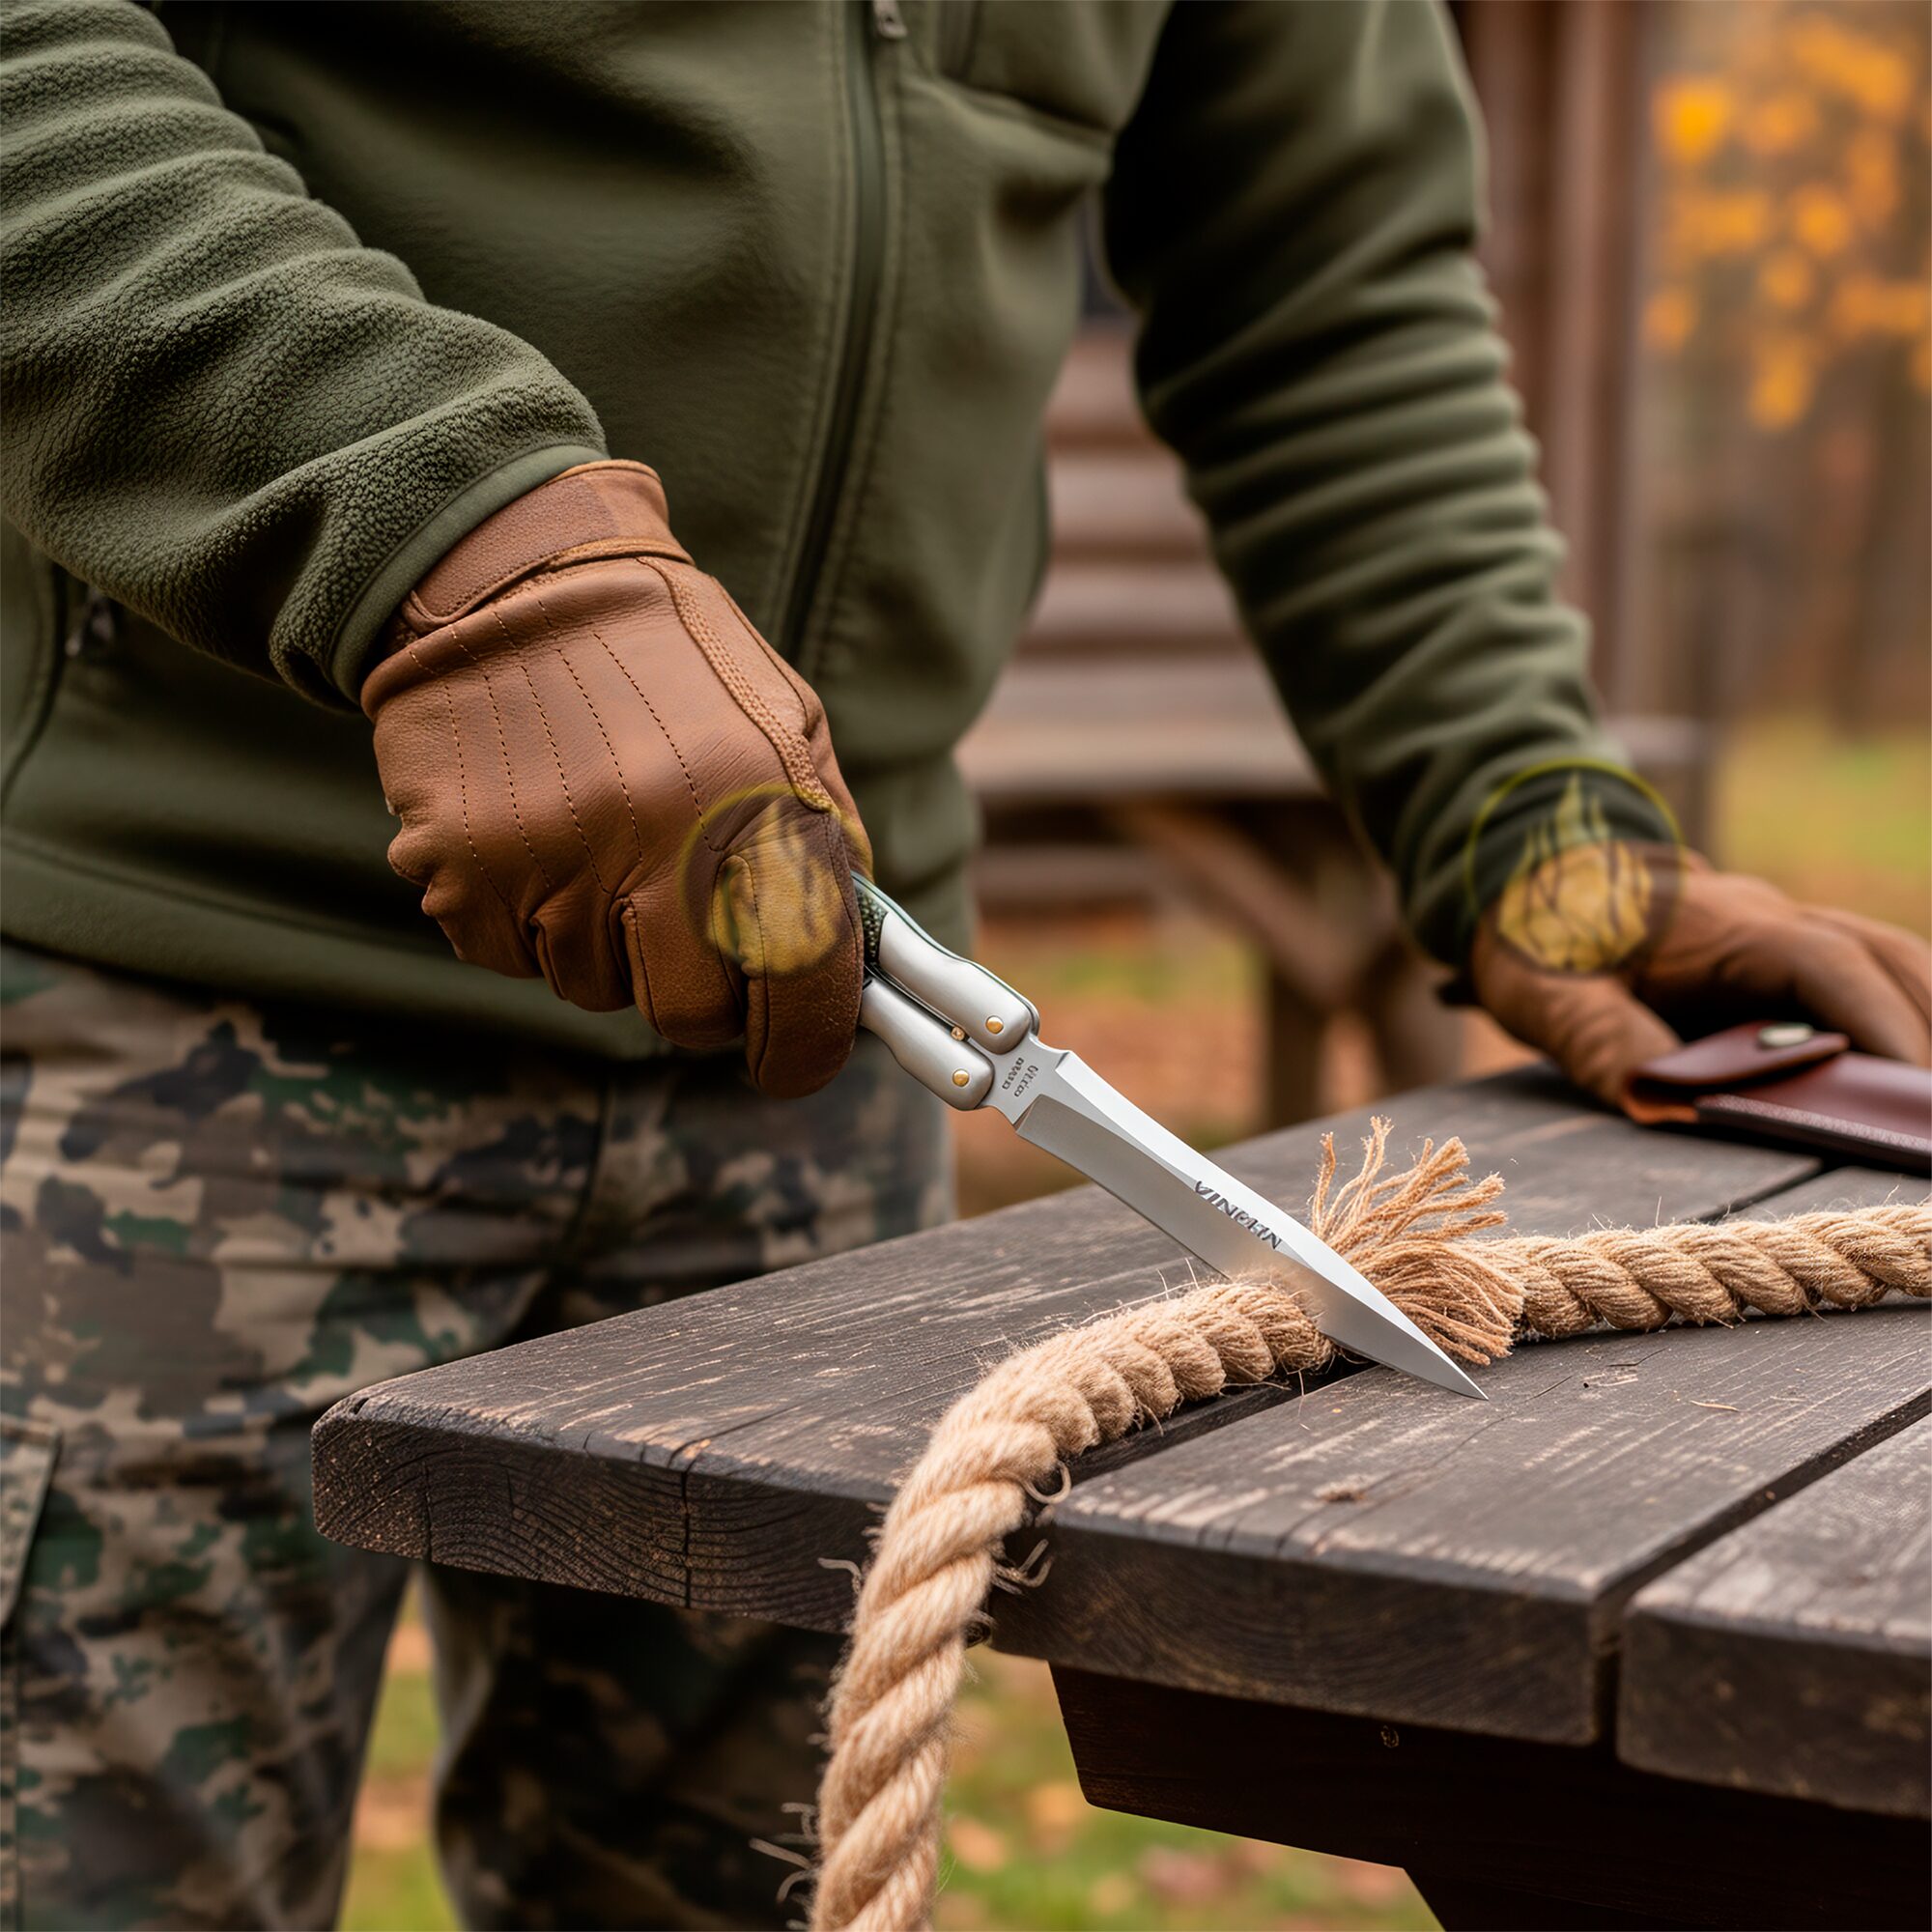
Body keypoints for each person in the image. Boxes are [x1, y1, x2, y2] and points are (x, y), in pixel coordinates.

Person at [2, 3, 1924, 1926]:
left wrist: (1528, 826)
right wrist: (455, 535)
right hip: (162, 1024)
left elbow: (1328, 288)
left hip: (817, 1034)